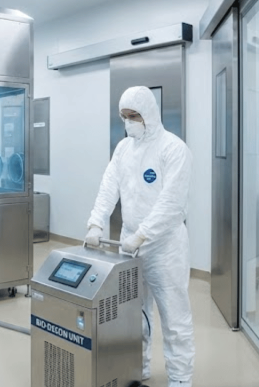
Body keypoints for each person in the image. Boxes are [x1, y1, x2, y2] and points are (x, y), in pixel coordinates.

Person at [84, 86, 195, 387]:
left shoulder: (173, 149)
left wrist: (144, 234)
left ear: (149, 113)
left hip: (164, 246)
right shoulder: (123, 149)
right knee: (133, 313)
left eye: (133, 116)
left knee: (174, 316)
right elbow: (109, 186)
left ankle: (180, 379)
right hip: (129, 243)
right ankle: (138, 367)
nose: (128, 122)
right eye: (124, 117)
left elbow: (172, 203)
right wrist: (96, 224)